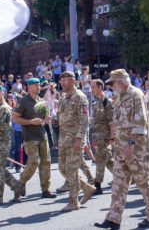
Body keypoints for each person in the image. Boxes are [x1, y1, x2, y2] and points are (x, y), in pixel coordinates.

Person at [95, 69, 149, 229]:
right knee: (118, 184)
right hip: (121, 148)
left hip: (136, 148)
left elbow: (141, 122)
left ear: (120, 82)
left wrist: (131, 144)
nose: (110, 86)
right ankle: (113, 219)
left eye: (112, 83)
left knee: (144, 182)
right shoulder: (120, 97)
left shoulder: (135, 94)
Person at [57, 71, 96, 212]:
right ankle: (86, 187)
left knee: (72, 171)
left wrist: (80, 139)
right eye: (61, 80)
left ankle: (73, 202)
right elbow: (61, 117)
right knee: (62, 168)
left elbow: (85, 120)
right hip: (63, 139)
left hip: (75, 140)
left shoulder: (80, 97)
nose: (62, 83)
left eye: (66, 80)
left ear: (74, 81)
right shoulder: (63, 98)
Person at [13, 78, 56, 199]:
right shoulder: (23, 101)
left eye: (38, 85)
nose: (38, 87)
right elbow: (15, 118)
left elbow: (44, 117)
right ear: (29, 87)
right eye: (35, 85)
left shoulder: (40, 100)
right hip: (30, 137)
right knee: (33, 162)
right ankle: (20, 182)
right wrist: (30, 121)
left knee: (46, 162)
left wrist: (47, 118)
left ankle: (45, 189)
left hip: (42, 135)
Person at [91, 79, 115, 194]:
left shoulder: (107, 102)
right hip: (98, 136)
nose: (92, 89)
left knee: (100, 160)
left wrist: (112, 137)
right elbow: (95, 122)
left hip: (105, 137)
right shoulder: (95, 103)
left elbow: (111, 121)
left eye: (93, 87)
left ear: (100, 87)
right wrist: (94, 138)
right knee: (109, 161)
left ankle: (97, 184)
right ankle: (123, 177)